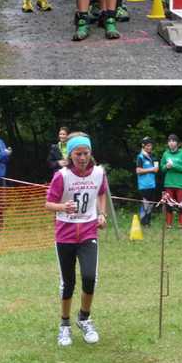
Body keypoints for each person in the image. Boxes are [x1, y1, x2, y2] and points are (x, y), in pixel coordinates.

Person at [45, 132, 107, 346]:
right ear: (70, 155)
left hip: (89, 232)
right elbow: (48, 204)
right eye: (78, 153)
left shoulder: (99, 173)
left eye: (85, 153)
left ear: (90, 153)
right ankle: (65, 325)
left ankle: (84, 317)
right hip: (65, 234)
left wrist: (102, 213)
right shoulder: (61, 176)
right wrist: (63, 207)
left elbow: (101, 193)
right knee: (68, 282)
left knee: (90, 276)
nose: (82, 157)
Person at [160, 134, 182, 229]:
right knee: (169, 204)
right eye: (169, 141)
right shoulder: (165, 154)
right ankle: (169, 226)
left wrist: (174, 166)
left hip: (180, 183)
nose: (171, 143)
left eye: (173, 141)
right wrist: (166, 167)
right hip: (169, 183)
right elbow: (162, 168)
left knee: (180, 204)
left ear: (177, 143)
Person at [136, 137, 158, 227]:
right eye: (147, 145)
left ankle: (148, 222)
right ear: (143, 146)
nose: (149, 147)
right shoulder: (140, 157)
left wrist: (155, 169)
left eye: (151, 145)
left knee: (151, 205)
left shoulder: (152, 156)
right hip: (144, 185)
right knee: (145, 204)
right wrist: (151, 169)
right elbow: (138, 171)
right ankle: (142, 222)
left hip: (152, 184)